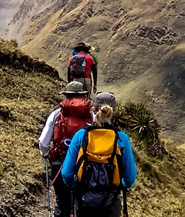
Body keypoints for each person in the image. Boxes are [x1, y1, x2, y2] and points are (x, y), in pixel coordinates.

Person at [62, 96, 137, 217]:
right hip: (111, 202)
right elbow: (130, 177)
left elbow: (66, 173)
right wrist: (121, 184)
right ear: (114, 111)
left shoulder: (81, 136)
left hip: (84, 201)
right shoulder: (122, 138)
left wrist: (74, 185)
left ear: (93, 109)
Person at [38, 81, 94, 217]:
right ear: (83, 95)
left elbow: (43, 142)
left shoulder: (56, 114)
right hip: (86, 167)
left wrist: (46, 154)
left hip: (60, 163)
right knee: (83, 203)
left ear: (67, 95)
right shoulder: (91, 116)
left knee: (62, 203)